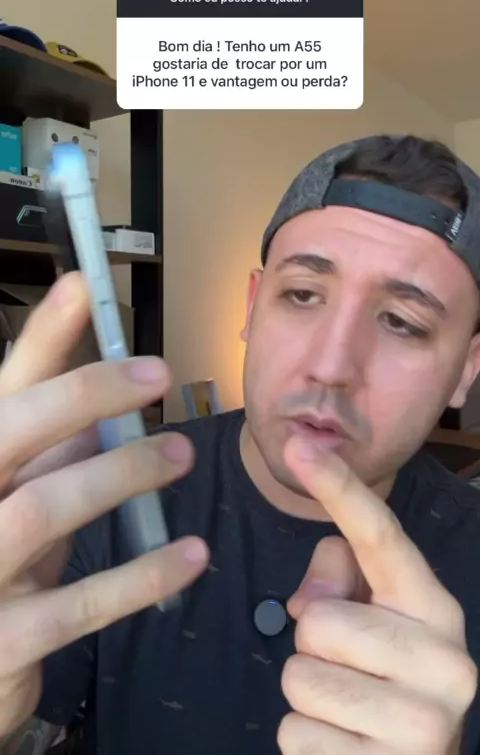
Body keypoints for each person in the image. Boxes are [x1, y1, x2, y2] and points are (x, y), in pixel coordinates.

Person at [1, 133, 480, 755]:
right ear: (253, 308)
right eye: (302, 294)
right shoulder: (111, 493)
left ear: (468, 369)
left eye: (402, 322)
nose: (331, 366)